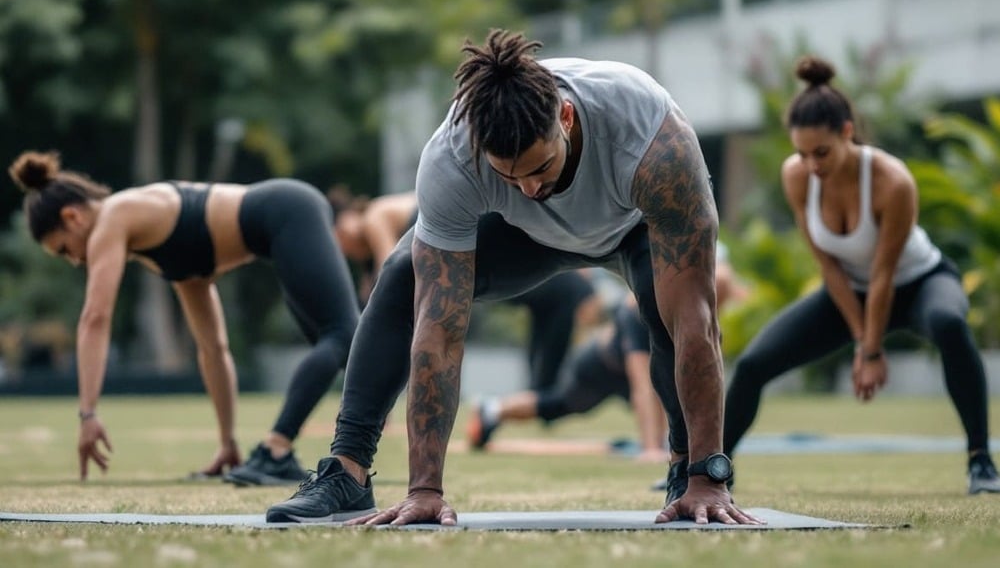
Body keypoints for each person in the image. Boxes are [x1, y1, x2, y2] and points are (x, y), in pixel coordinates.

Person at [267, 28, 758, 526]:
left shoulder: (651, 134)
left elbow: (698, 321)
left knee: (666, 310)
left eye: (540, 167)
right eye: (509, 174)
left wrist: (709, 477)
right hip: (526, 237)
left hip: (634, 225)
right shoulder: (452, 158)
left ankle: (686, 472)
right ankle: (347, 471)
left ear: (565, 117)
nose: (528, 187)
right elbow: (438, 336)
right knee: (403, 273)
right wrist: (424, 489)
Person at [721, 56, 1000, 495]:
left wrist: (871, 353)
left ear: (847, 133)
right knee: (754, 364)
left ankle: (981, 462)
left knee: (949, 323)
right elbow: (828, 267)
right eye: (802, 153)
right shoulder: (797, 177)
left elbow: (885, 275)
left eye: (822, 152)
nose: (811, 164)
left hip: (918, 282)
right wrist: (860, 340)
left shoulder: (893, 182)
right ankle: (713, 472)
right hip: (848, 289)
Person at [7, 151, 359, 485]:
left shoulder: (114, 215)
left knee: (343, 336)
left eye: (64, 248)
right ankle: (274, 452)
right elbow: (213, 350)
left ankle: (275, 450)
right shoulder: (169, 254)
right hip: (281, 225)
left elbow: (95, 318)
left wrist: (88, 414)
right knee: (336, 343)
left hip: (290, 209)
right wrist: (227, 442)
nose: (73, 260)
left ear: (73, 217)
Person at [331, 188, 603, 391]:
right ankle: (540, 392)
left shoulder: (374, 216)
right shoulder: (369, 245)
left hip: (451, 233)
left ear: (347, 218)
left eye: (339, 239)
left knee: (387, 311)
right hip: (457, 248)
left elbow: (387, 276)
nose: (343, 249)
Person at [465, 294, 671, 463]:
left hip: (621, 374)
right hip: (596, 370)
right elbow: (644, 386)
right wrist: (652, 449)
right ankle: (492, 409)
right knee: (558, 403)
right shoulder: (634, 314)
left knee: (667, 392)